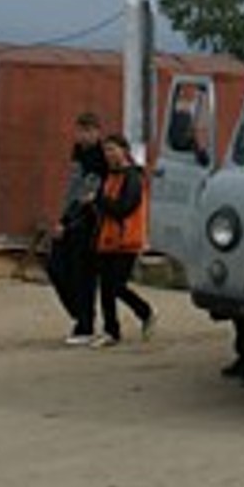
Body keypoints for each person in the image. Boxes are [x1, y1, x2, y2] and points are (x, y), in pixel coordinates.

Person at [90, 133, 156, 347]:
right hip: (107, 239)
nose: (108, 154)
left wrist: (99, 200)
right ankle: (111, 331)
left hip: (127, 240)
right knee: (106, 288)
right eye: (106, 150)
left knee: (116, 286)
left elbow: (124, 208)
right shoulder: (110, 176)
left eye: (112, 149)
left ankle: (145, 311)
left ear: (124, 150)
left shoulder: (133, 177)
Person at [46, 112, 105, 345]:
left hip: (89, 222)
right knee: (56, 267)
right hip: (71, 218)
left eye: (88, 131)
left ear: (97, 132)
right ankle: (78, 313)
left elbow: (88, 193)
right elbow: (73, 189)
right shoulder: (78, 153)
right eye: (80, 131)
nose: (83, 135)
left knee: (83, 275)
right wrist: (63, 218)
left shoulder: (101, 157)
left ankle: (85, 324)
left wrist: (68, 220)